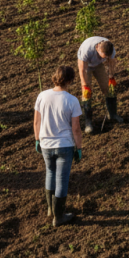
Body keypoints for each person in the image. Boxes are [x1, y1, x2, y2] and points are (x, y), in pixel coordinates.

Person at [34, 65, 83, 226]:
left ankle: (50, 209)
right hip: (64, 146)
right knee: (62, 179)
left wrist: (37, 140)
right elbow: (76, 128)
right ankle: (59, 216)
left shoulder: (42, 96)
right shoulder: (72, 100)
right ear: (70, 81)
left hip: (46, 144)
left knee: (50, 173)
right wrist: (79, 148)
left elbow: (36, 121)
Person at [77, 36, 123, 134]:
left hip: (98, 65)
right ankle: (88, 123)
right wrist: (85, 85)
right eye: (103, 56)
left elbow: (111, 63)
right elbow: (82, 70)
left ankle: (113, 114)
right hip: (87, 67)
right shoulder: (87, 50)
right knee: (86, 94)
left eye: (106, 56)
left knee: (109, 88)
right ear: (97, 48)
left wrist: (111, 77)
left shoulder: (110, 48)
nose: (105, 58)